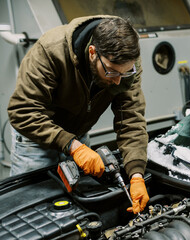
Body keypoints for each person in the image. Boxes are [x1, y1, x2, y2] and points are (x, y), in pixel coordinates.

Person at [7, 15, 149, 214]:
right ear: (92, 53)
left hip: (78, 136)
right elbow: (22, 111)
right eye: (111, 72)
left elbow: (131, 119)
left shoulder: (125, 65)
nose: (118, 81)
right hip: (36, 140)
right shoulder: (51, 50)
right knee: (31, 210)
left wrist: (136, 174)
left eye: (124, 73)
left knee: (79, 209)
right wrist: (73, 146)